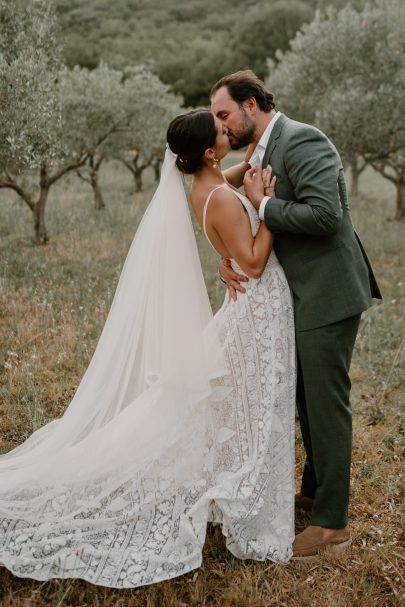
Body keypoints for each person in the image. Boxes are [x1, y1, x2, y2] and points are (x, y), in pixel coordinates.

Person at [0, 109, 296, 587]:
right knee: (249, 413)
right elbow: (256, 263)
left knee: (241, 412)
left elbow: (230, 178)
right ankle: (243, 498)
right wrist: (265, 207)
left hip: (252, 304)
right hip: (255, 309)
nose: (230, 131)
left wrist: (248, 184)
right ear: (206, 151)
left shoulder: (209, 182)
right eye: (222, 131)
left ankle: (239, 490)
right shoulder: (219, 196)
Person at [211, 70, 382, 559]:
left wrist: (266, 204)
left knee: (326, 405)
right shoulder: (257, 152)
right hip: (299, 295)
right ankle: (314, 492)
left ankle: (332, 528)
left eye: (224, 115)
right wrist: (229, 254)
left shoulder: (304, 140)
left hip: (328, 293)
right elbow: (219, 196)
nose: (222, 126)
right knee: (305, 398)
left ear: (250, 104)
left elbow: (326, 216)